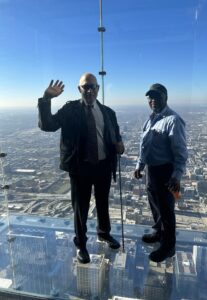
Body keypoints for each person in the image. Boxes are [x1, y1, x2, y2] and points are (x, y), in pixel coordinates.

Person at [38, 73, 124, 264]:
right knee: (80, 209)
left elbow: (116, 138)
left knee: (103, 204)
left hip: (103, 166)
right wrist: (46, 99)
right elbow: (47, 125)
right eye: (85, 86)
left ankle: (104, 233)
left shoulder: (109, 113)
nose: (90, 90)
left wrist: (120, 146)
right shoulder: (70, 109)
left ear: (98, 89)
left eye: (93, 86)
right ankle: (81, 245)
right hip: (80, 168)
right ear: (79, 89)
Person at [134, 83, 188, 262]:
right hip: (152, 171)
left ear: (166, 97)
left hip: (167, 172)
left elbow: (181, 153)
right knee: (155, 206)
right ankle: (158, 233)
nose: (153, 100)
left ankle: (168, 246)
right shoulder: (150, 119)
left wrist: (176, 176)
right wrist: (140, 165)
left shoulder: (173, 120)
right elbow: (145, 147)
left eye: (157, 96)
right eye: (150, 97)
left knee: (166, 210)